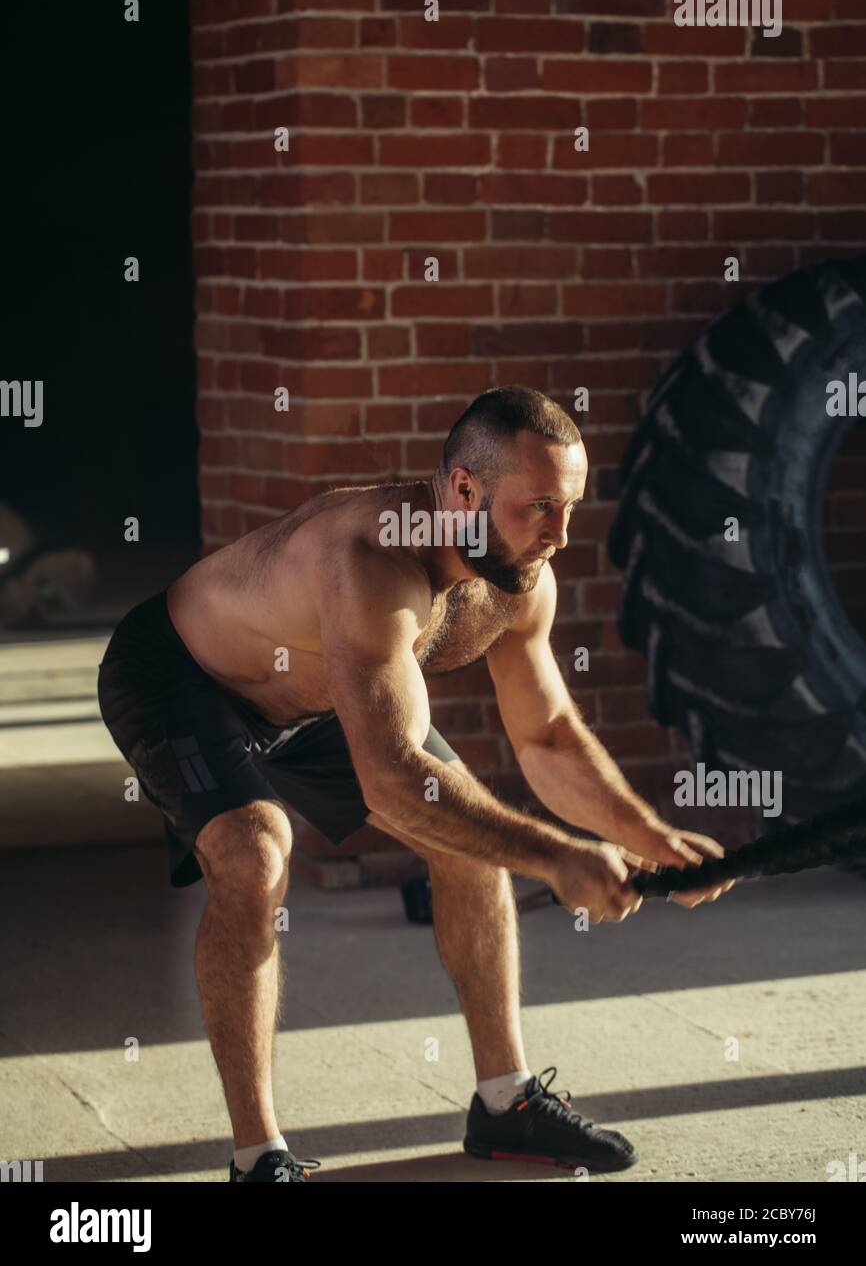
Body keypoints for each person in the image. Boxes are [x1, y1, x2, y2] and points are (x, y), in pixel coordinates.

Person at [98, 386, 736, 1182]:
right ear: (463, 490)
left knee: (470, 845)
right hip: (182, 676)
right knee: (256, 855)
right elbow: (397, 782)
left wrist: (650, 837)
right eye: (538, 505)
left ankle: (505, 1105)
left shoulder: (521, 576)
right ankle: (258, 1158)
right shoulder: (367, 559)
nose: (560, 535)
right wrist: (561, 856)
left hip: (326, 691)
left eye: (570, 506)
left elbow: (546, 735)